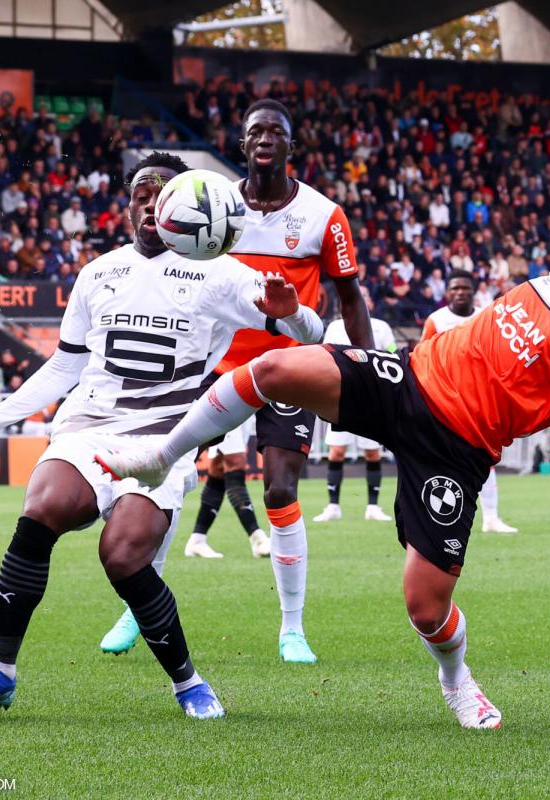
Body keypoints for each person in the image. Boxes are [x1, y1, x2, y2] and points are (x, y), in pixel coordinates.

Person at [97, 182, 550, 729]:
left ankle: (457, 679)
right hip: (409, 377)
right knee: (273, 369)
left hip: (456, 449)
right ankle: (163, 455)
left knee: (425, 608)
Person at [0, 152, 325, 720]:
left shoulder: (220, 271)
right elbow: (64, 367)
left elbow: (309, 329)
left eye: (164, 192)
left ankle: (188, 682)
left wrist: (292, 315)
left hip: (163, 438)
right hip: (87, 425)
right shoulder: (99, 272)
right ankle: (0, 673)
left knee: (122, 555)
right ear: (128, 208)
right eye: (142, 192)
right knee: (43, 507)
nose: (151, 201)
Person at [101, 99, 374, 665]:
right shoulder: (211, 201)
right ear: (243, 144)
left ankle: (292, 627)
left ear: (291, 146)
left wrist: (371, 370)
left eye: (276, 131)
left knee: (279, 489)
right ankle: (138, 599)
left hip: (290, 369)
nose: (265, 139)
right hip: (215, 364)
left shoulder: (325, 215)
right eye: (255, 132)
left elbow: (349, 297)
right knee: (165, 470)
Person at [420, 271, 518, 534]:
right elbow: (423, 356)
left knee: (483, 456)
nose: (460, 292)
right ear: (447, 292)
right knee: (439, 458)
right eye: (455, 288)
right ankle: (437, 518)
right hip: (443, 395)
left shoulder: (488, 314)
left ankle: (491, 518)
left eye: (465, 288)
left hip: (479, 396)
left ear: (474, 291)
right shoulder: (436, 320)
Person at [312, 315, 397, 523]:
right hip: (342, 397)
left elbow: (393, 352)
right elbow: (326, 354)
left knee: (372, 452)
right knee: (337, 451)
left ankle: (373, 507)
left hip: (372, 398)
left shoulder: (381, 326)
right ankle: (333, 506)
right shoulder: (334, 326)